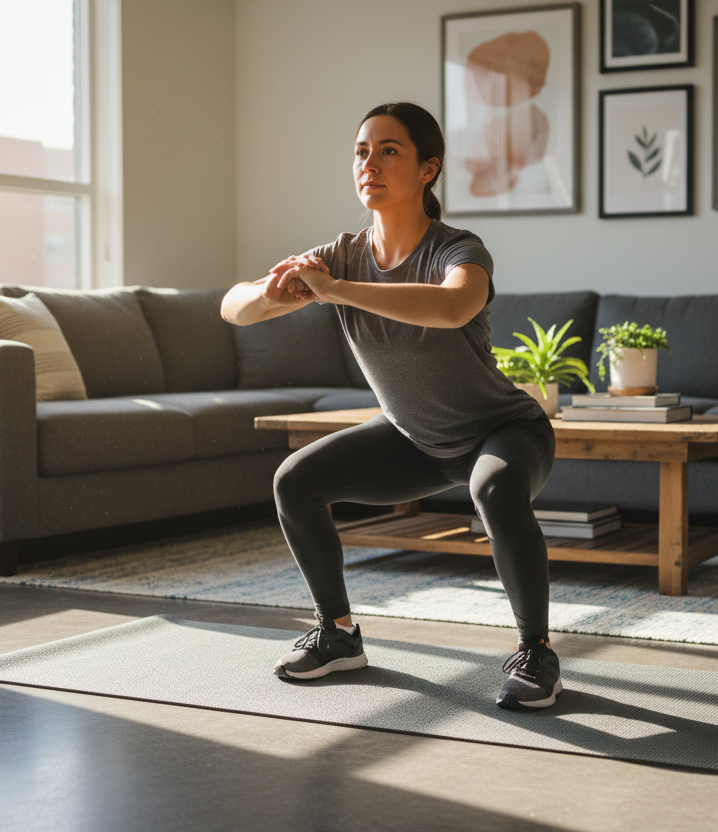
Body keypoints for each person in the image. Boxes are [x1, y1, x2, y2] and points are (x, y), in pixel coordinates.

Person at [220, 102, 560, 710]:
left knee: (495, 490)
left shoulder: (459, 249)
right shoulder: (341, 254)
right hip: (416, 440)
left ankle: (537, 650)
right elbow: (233, 308)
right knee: (295, 480)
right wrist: (272, 295)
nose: (368, 164)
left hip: (503, 431)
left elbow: (454, 307)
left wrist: (335, 290)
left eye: (389, 151)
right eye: (361, 152)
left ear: (429, 168)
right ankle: (339, 635)